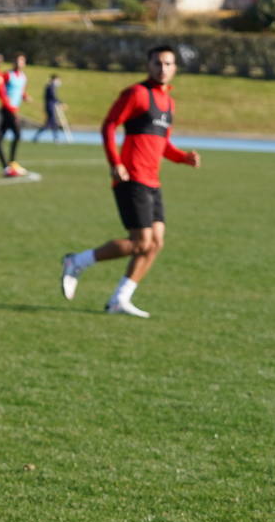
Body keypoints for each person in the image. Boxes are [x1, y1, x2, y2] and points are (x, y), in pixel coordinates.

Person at [59, 45, 201, 318]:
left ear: (175, 69)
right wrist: (116, 164)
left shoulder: (169, 102)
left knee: (156, 243)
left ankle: (119, 299)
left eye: (168, 64)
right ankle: (76, 262)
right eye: (158, 63)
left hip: (152, 181)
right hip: (131, 177)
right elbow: (109, 125)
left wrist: (185, 158)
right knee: (140, 242)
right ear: (148, 65)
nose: (163, 68)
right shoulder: (136, 94)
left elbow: (163, 144)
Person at [0, 52, 28, 176]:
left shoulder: (23, 77)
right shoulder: (8, 75)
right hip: (7, 110)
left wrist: (25, 96)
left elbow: (20, 91)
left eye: (21, 61)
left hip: (14, 109)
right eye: (17, 61)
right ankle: (12, 162)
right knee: (18, 134)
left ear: (24, 63)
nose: (19, 63)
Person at [33, 74, 68, 143]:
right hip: (50, 107)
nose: (59, 82)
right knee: (51, 123)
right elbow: (53, 97)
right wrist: (61, 103)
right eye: (58, 80)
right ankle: (55, 138)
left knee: (50, 123)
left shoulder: (51, 87)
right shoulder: (50, 87)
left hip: (50, 106)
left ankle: (37, 137)